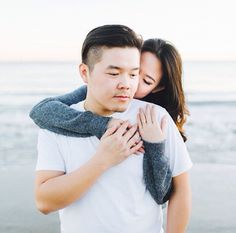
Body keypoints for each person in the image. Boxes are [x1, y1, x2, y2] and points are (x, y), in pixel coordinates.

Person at [33, 25, 192, 233]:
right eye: (114, 73)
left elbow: (179, 193)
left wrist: (155, 145)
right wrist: (103, 160)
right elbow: (44, 202)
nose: (126, 84)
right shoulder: (57, 123)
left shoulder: (155, 118)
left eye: (134, 75)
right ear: (85, 72)